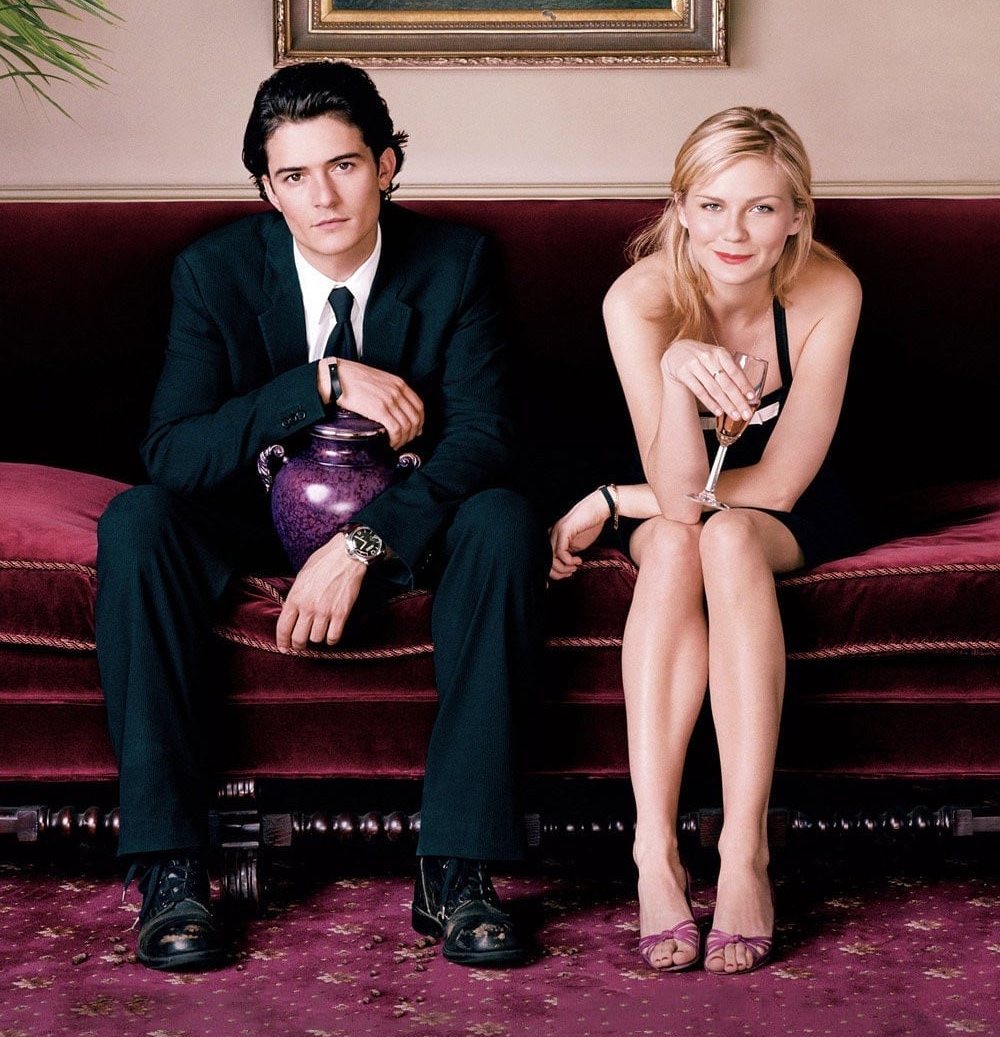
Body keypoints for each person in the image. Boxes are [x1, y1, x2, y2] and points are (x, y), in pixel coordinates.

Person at [96, 60, 549, 973]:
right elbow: (174, 453)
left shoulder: (457, 263)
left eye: (344, 166)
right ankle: (171, 870)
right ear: (268, 189)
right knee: (138, 520)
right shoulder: (214, 273)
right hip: (253, 521)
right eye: (294, 176)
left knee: (502, 519)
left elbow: (486, 439)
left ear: (386, 164)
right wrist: (318, 382)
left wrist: (362, 544)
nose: (324, 197)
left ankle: (456, 870)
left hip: (407, 526)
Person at [549, 107, 863, 976]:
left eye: (761, 208)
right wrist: (675, 372)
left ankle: (743, 853)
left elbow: (782, 484)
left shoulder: (829, 289)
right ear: (681, 209)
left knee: (727, 541)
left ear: (796, 216)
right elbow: (684, 498)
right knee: (685, 543)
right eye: (714, 206)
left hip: (788, 497)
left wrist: (613, 500)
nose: (735, 233)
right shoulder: (639, 298)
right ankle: (654, 852)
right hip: (679, 492)